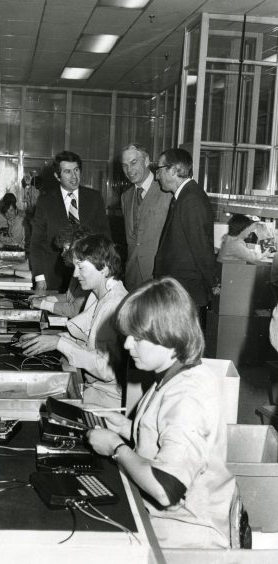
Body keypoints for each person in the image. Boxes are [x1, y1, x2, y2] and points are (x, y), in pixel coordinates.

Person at [87, 277, 236, 549]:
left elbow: (167, 488)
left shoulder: (188, 394)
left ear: (168, 335)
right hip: (164, 519)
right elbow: (164, 433)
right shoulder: (174, 374)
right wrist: (128, 428)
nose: (128, 345)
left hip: (185, 536)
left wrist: (116, 448)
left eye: (138, 337)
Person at [20, 234, 127, 407]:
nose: (75, 274)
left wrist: (59, 343)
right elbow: (84, 337)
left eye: (81, 267)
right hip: (94, 388)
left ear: (104, 268)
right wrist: (49, 339)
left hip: (106, 399)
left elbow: (107, 370)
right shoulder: (97, 295)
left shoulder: (113, 305)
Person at [30, 150, 111, 292]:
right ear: (57, 176)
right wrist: (40, 278)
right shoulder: (45, 201)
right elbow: (37, 243)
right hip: (54, 277)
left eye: (76, 170)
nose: (74, 177)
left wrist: (107, 271)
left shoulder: (94, 198)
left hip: (90, 277)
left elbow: (106, 238)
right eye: (67, 172)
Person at [153, 148, 215, 311]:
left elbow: (201, 249)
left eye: (159, 170)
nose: (156, 176)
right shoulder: (185, 197)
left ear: (173, 170)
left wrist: (213, 286)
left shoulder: (191, 200)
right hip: (179, 291)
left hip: (185, 293)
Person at [121, 143, 171, 291]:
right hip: (132, 278)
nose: (129, 170)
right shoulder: (126, 197)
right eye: (124, 166)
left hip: (159, 277)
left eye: (134, 163)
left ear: (147, 160)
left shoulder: (167, 192)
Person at [28, 226, 90, 318]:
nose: (62, 254)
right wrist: (45, 299)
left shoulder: (85, 275)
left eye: (65, 249)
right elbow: (69, 297)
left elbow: (74, 310)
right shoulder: (76, 271)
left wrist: (43, 304)